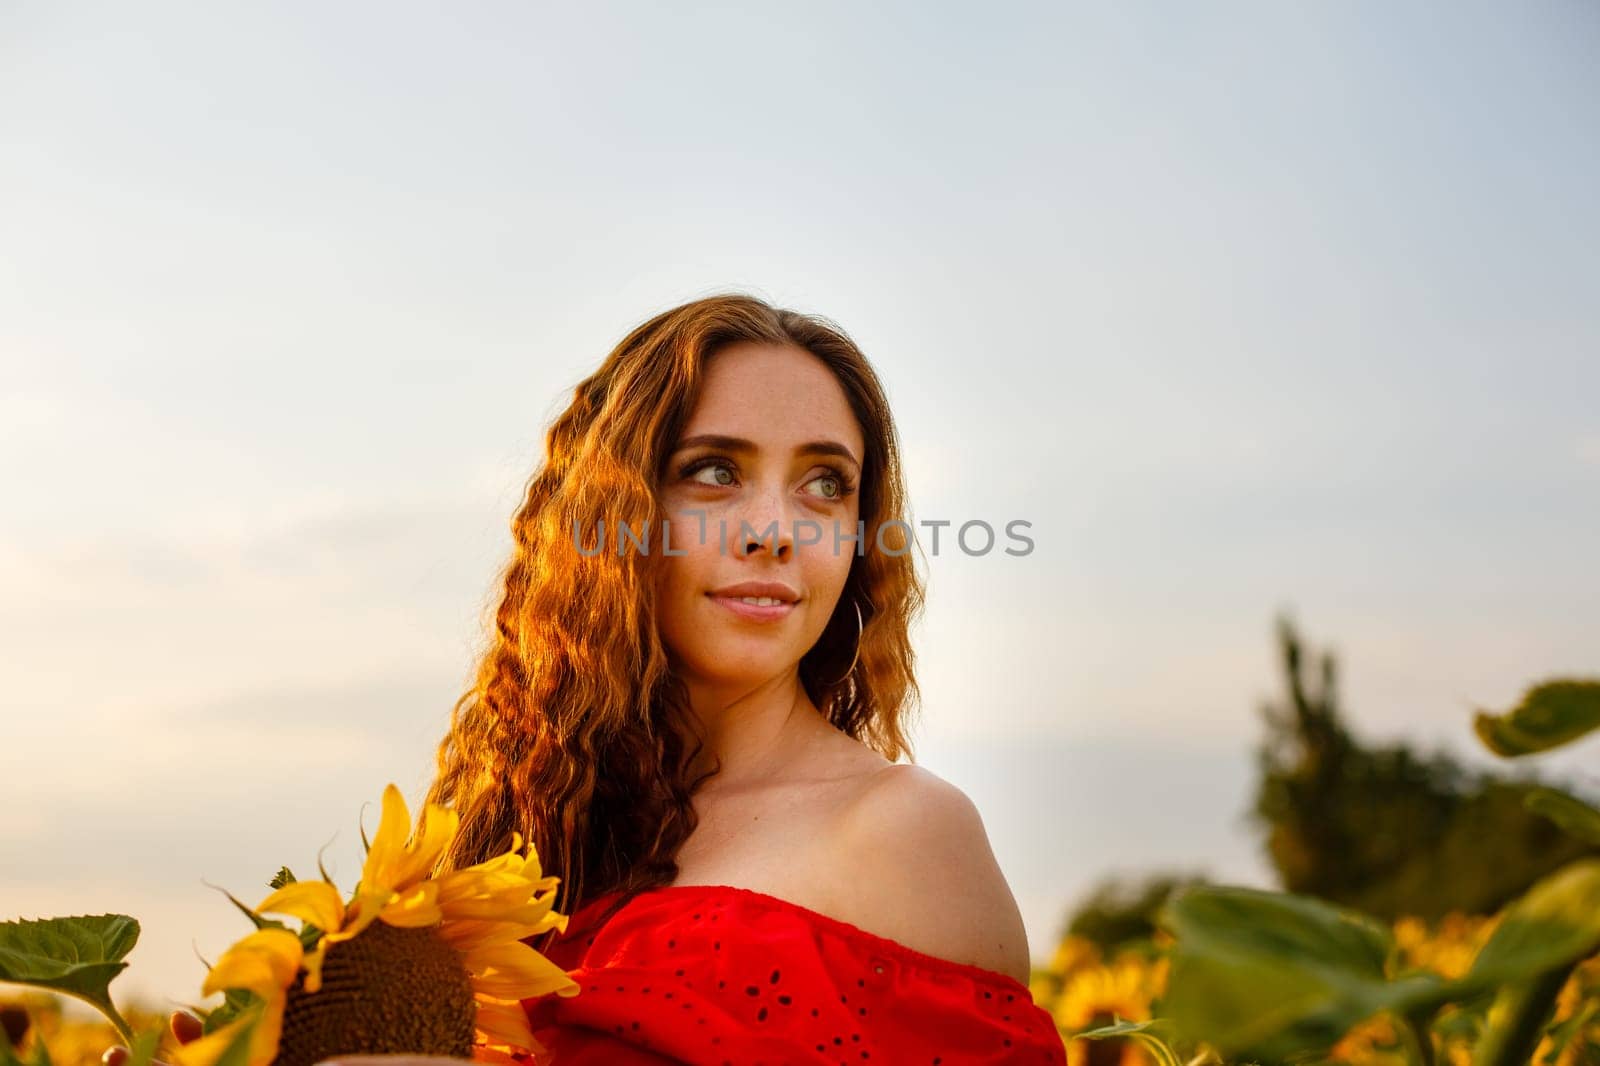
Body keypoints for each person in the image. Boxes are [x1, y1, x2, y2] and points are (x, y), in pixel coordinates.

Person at [423, 293, 1068, 1064]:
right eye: (716, 471)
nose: (773, 531)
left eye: (826, 484)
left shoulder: (905, 834)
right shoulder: (516, 825)